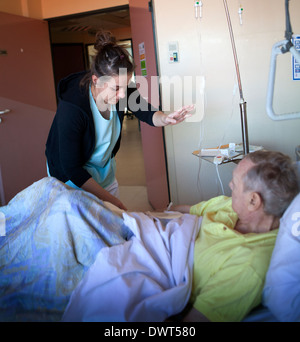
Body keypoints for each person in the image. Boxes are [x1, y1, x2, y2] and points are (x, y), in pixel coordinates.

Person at [46, 30, 194, 211]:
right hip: (71, 180)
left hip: (103, 171)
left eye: (126, 86)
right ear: (96, 80)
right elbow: (71, 167)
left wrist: (166, 118)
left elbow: (145, 111)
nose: (123, 95)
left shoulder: (120, 87)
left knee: (111, 227)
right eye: (116, 88)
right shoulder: (72, 108)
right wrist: (111, 201)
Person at [170, 150, 299, 322]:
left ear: (253, 201)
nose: (230, 185)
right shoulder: (228, 205)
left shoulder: (250, 264)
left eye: (235, 183)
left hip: (165, 278)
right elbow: (182, 209)